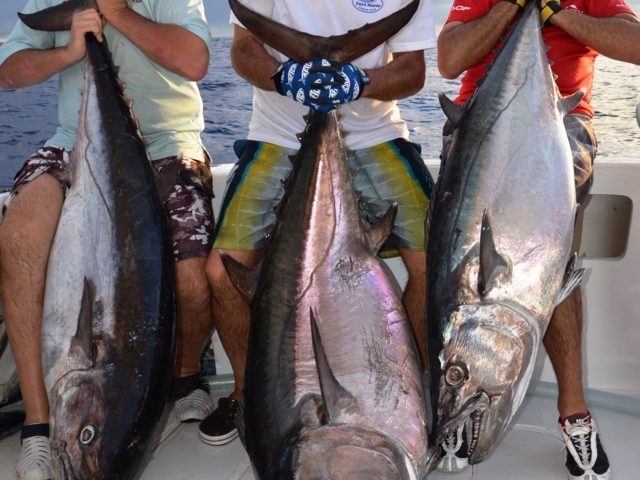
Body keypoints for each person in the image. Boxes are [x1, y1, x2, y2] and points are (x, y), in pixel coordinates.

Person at [199, 0, 436, 446]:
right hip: (277, 135)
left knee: (432, 262)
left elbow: (412, 71)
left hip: (377, 134)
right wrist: (284, 77)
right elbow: (245, 50)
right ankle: (250, 392)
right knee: (221, 271)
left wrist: (359, 80)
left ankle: (406, 388)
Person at [0, 0, 216, 478]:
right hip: (73, 139)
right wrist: (70, 50)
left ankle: (182, 375)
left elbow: (196, 61)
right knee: (19, 237)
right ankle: (39, 420)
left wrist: (116, 12)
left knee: (192, 277)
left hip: (168, 142)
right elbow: (8, 73)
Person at [435, 0, 640, 478]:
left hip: (559, 124)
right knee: (448, 255)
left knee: (548, 258)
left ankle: (574, 410)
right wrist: (510, 7)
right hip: (477, 126)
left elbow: (634, 44)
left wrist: (553, 14)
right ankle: (459, 394)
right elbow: (449, 60)